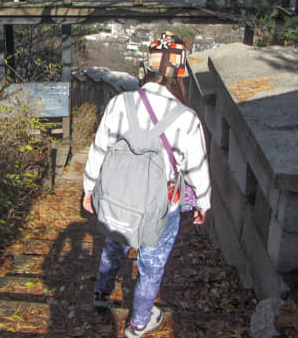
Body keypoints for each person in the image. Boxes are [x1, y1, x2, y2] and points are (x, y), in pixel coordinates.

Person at [82, 31, 211, 338]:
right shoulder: (187, 118)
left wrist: (89, 189)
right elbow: (196, 167)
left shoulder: (120, 103)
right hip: (161, 203)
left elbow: (99, 149)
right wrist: (204, 204)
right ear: (180, 72)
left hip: (119, 194)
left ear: (148, 66)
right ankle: (138, 323)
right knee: (151, 264)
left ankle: (101, 293)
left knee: (115, 242)